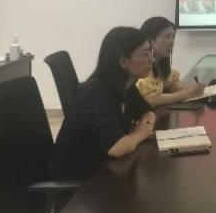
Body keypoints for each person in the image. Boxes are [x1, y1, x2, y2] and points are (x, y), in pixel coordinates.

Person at [50, 26, 156, 179]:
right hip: (79, 181)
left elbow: (148, 111)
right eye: (145, 54)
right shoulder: (98, 93)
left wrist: (144, 126)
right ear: (123, 61)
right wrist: (140, 133)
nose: (152, 59)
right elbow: (117, 147)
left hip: (102, 168)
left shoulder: (126, 85)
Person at [136, 16, 202, 106]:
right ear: (150, 40)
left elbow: (173, 84)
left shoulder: (159, 65)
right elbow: (150, 99)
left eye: (173, 37)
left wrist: (199, 89)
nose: (172, 42)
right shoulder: (141, 65)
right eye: (167, 37)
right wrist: (187, 94)